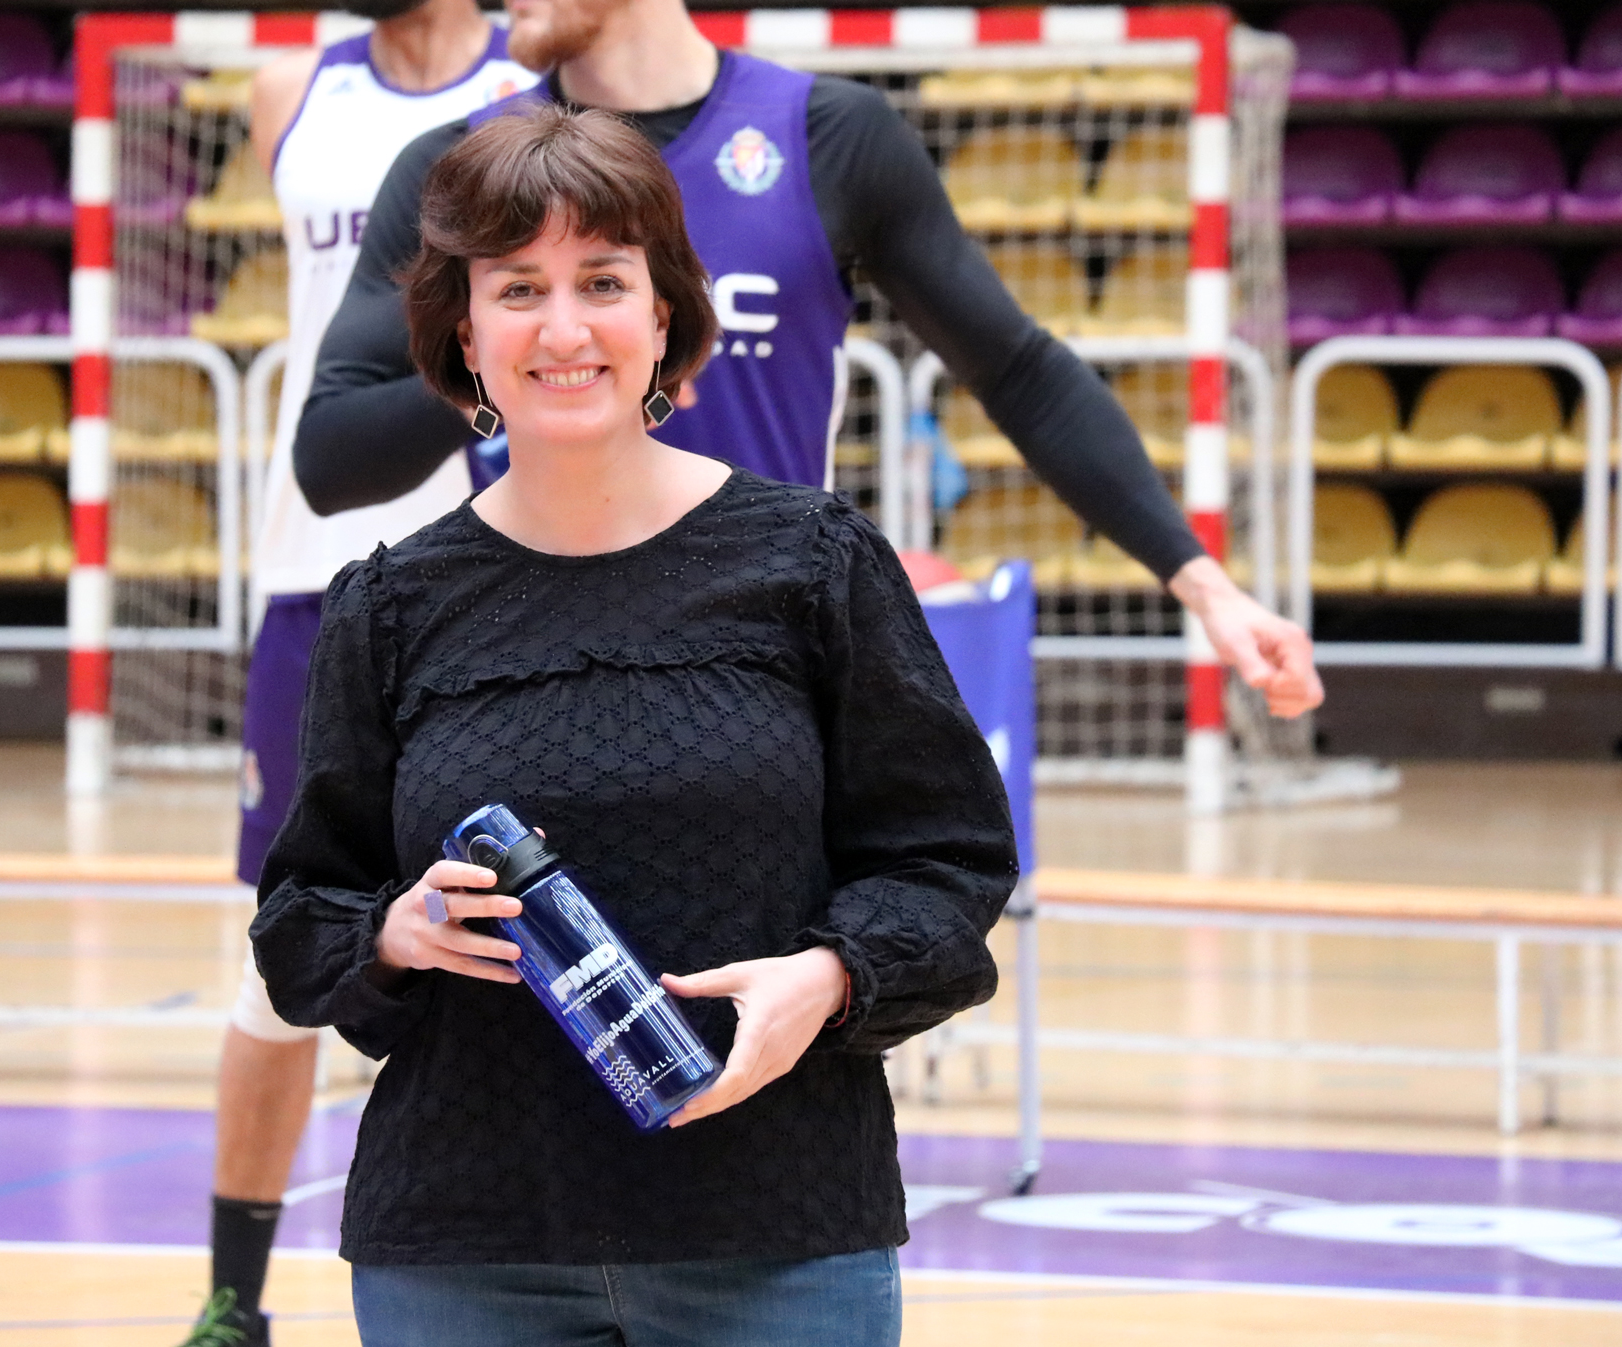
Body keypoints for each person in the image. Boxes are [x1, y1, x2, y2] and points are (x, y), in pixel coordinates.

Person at [252, 104, 1019, 1347]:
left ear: (663, 318)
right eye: (518, 289)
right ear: (465, 333)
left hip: (777, 1231)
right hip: (465, 1248)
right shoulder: (387, 607)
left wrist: (829, 977)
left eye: (602, 282)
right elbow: (300, 918)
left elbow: (951, 863)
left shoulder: (813, 563)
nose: (563, 329)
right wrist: (393, 933)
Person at [294, 0, 1324, 721]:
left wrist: (1207, 588)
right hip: (526, 660)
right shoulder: (460, 168)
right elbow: (329, 457)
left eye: (604, 288)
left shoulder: (828, 134)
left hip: (764, 664)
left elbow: (1019, 372)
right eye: (527, 289)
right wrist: (527, 367)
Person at [184, 3, 535, 1343]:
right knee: (279, 963)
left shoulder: (533, 80)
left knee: (519, 931)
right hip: (310, 562)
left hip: (487, 561)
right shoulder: (291, 89)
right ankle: (233, 1303)